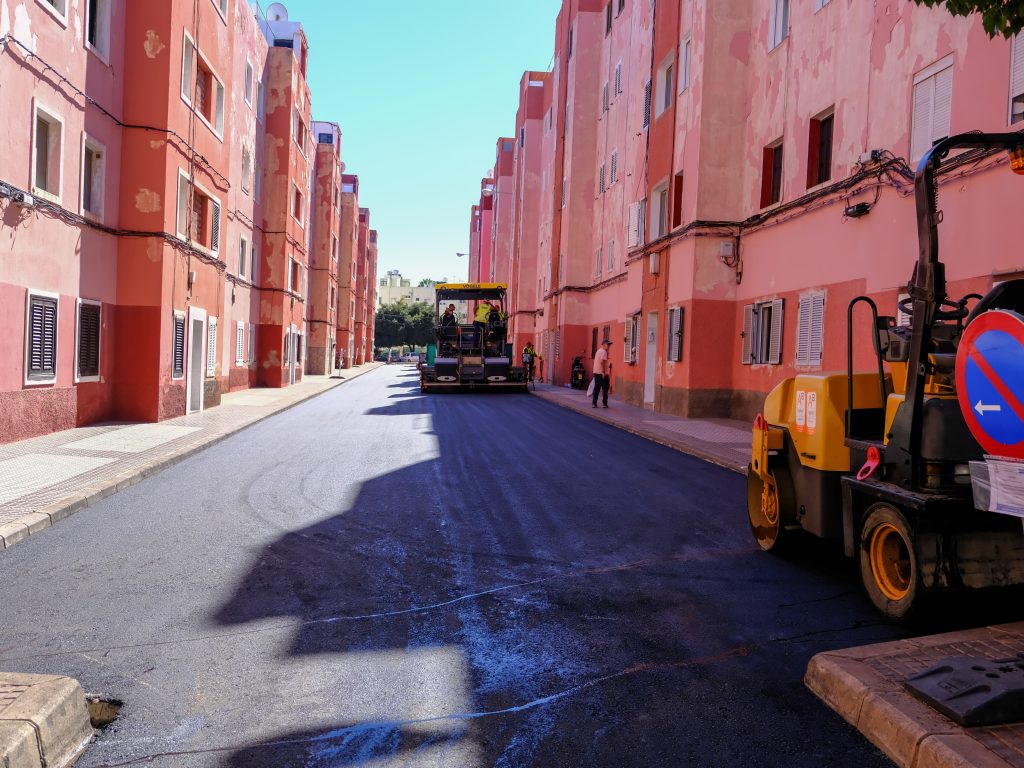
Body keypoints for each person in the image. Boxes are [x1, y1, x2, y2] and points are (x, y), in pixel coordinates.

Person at [592, 338, 612, 408]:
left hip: (596, 372)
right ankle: (604, 403)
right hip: (602, 373)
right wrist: (603, 372)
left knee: (596, 388)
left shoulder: (598, 351)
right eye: (607, 344)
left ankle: (594, 403)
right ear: (603, 344)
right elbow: (602, 362)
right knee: (605, 388)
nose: (608, 346)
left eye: (609, 345)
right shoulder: (604, 352)